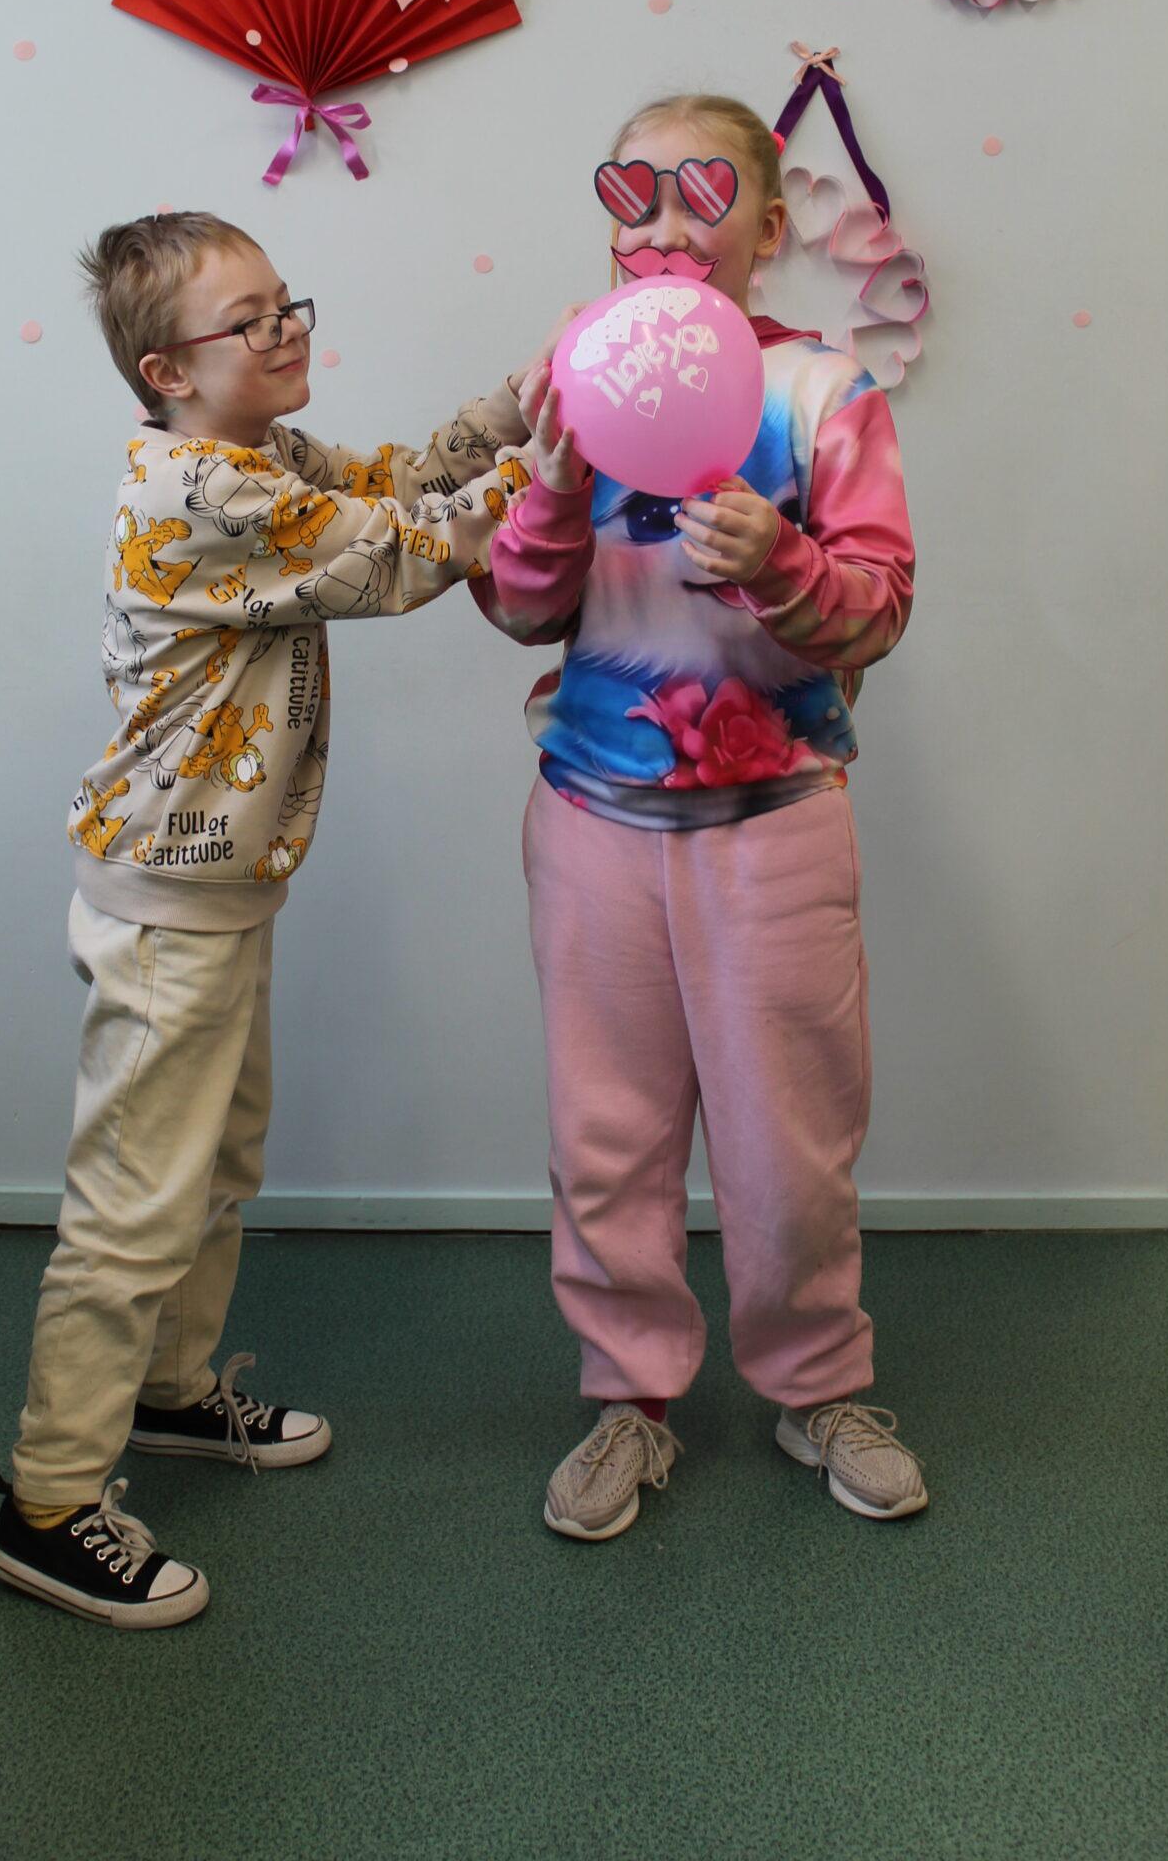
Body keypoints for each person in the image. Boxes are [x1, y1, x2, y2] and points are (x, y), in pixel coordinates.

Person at [0, 210, 533, 1626]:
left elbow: (390, 478)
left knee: (219, 1160)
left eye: (289, 302)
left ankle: (171, 1392)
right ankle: (48, 1502)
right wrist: (557, 469)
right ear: (168, 371)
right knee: (135, 1202)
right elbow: (402, 551)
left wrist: (510, 409)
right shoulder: (200, 496)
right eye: (252, 319)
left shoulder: (263, 456)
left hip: (223, 889)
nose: (288, 329)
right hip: (166, 905)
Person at [471, 95, 927, 1542]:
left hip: (775, 816)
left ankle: (819, 1385)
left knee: (792, 1134)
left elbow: (880, 609)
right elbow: (516, 607)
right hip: (593, 819)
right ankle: (628, 1397)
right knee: (605, 1132)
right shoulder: (573, 378)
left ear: (770, 226)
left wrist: (782, 560)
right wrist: (554, 488)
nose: (664, 225)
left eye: (703, 193)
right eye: (635, 193)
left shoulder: (823, 391)